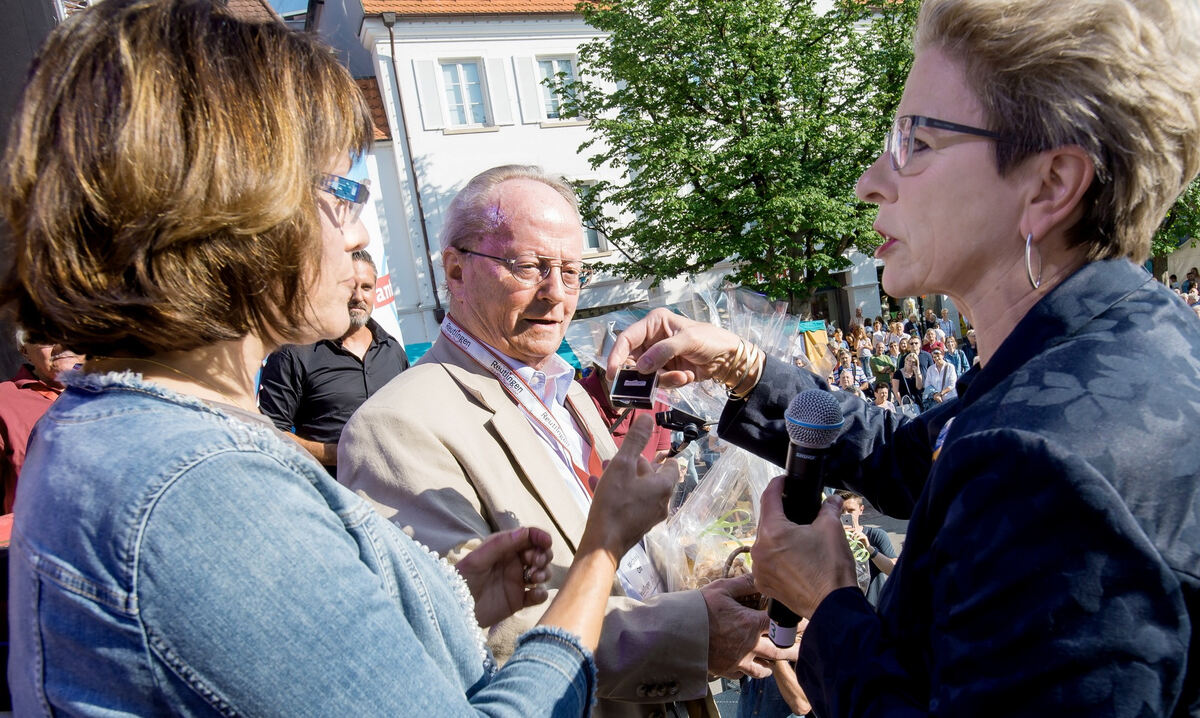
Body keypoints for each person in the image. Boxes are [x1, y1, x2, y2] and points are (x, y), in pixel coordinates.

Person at [0, 2, 680, 714]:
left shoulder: (125, 435)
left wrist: (443, 605)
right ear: (234, 206)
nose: (356, 231)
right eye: (339, 190)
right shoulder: (202, 487)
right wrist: (600, 551)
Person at [607, 0, 1200, 714]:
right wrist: (742, 366)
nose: (870, 182)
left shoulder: (1044, 458)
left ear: (1050, 185)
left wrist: (828, 608)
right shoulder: (1112, 339)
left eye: (914, 142)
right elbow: (910, 457)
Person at [338, 165, 788, 717]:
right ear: (455, 271)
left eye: (571, 271)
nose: (556, 294)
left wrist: (704, 572)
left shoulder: (564, 390)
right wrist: (692, 631)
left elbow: (619, 562)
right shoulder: (395, 424)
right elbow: (486, 634)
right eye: (529, 267)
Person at [257, 249, 409, 474]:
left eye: (366, 287)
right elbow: (267, 432)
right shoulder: (294, 353)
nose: (358, 296)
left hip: (396, 493)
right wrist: (337, 454)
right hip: (333, 498)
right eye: (348, 287)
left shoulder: (392, 350)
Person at [0, 332, 84, 517]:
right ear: (25, 351)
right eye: (46, 337)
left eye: (69, 331)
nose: (62, 345)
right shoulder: (4, 402)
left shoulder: (115, 394)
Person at [835, 491, 898, 608]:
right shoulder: (830, 538)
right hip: (844, 609)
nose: (845, 515)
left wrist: (869, 549)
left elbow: (894, 570)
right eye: (841, 510)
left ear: (861, 510)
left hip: (874, 606)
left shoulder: (876, 535)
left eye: (850, 511)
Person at [921, 341, 957, 405]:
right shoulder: (930, 369)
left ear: (943, 355)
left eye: (938, 356)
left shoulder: (950, 367)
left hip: (950, 399)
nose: (936, 358)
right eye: (934, 357)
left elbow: (952, 384)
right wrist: (935, 395)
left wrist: (940, 394)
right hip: (937, 401)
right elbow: (927, 384)